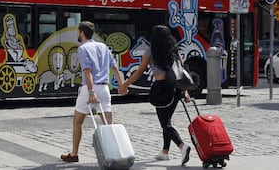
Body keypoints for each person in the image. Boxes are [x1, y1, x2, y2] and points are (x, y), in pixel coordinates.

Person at [119, 25, 191, 165]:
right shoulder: (174, 51)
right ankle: (165, 152)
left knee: (165, 123)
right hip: (175, 89)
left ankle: (182, 146)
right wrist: (185, 91)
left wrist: (125, 84)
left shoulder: (150, 51)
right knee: (167, 119)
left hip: (161, 88)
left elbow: (140, 71)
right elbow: (182, 71)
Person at [60, 21, 124, 163]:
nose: (77, 34)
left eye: (78, 31)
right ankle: (116, 153)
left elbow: (87, 71)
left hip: (90, 88)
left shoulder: (83, 48)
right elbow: (114, 66)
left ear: (82, 32)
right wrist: (121, 84)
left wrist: (90, 92)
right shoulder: (103, 46)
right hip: (105, 88)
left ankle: (74, 154)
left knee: (77, 122)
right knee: (109, 125)